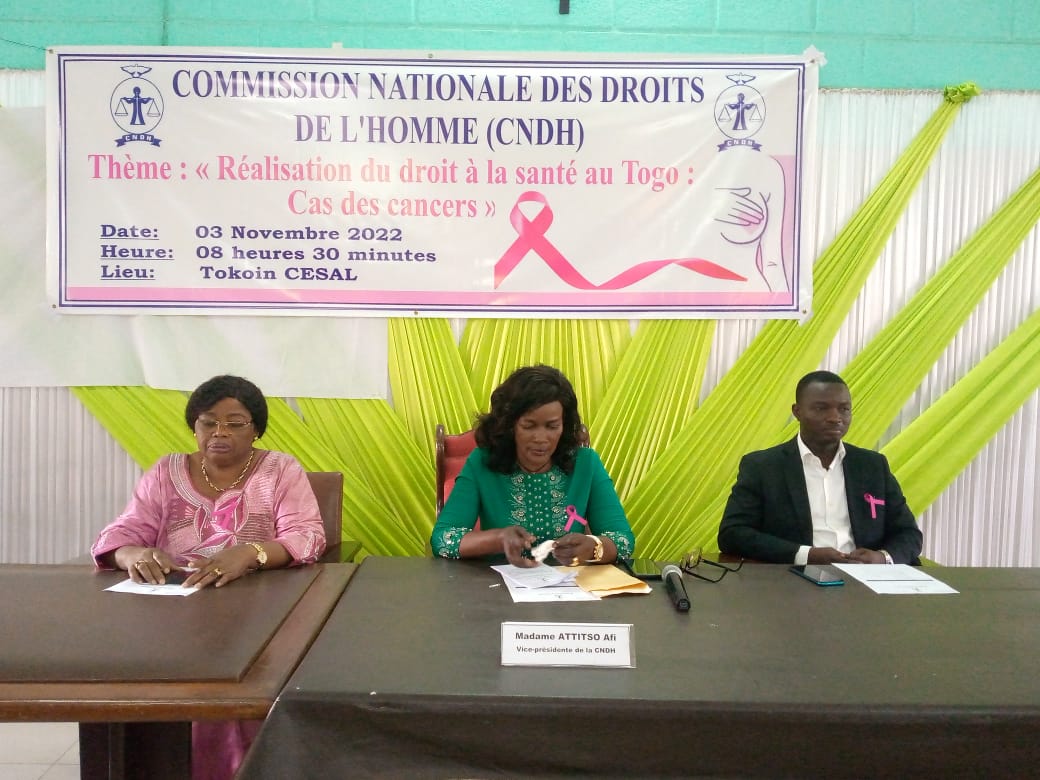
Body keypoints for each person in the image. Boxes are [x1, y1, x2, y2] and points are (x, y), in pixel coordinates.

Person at [91, 374, 326, 780]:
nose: (220, 432)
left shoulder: (279, 469)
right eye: (208, 422)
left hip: (258, 614)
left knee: (233, 687)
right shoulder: (166, 471)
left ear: (255, 429)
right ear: (194, 426)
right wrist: (134, 554)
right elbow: (121, 533)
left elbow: (307, 535)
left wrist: (249, 553)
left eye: (235, 423)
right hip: (174, 616)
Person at [430, 364, 634, 567]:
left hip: (570, 584)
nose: (541, 438)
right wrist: (498, 539)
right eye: (529, 426)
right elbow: (443, 539)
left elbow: (622, 540)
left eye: (552, 426)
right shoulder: (482, 462)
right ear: (509, 425)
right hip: (496, 584)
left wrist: (594, 547)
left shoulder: (586, 463)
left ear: (564, 426)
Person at [717, 370, 922, 565]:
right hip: (793, 577)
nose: (835, 418)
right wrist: (805, 555)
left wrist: (882, 558)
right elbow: (732, 534)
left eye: (844, 409)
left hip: (865, 579)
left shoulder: (873, 466)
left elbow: (909, 533)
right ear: (797, 412)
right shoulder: (763, 467)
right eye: (821, 408)